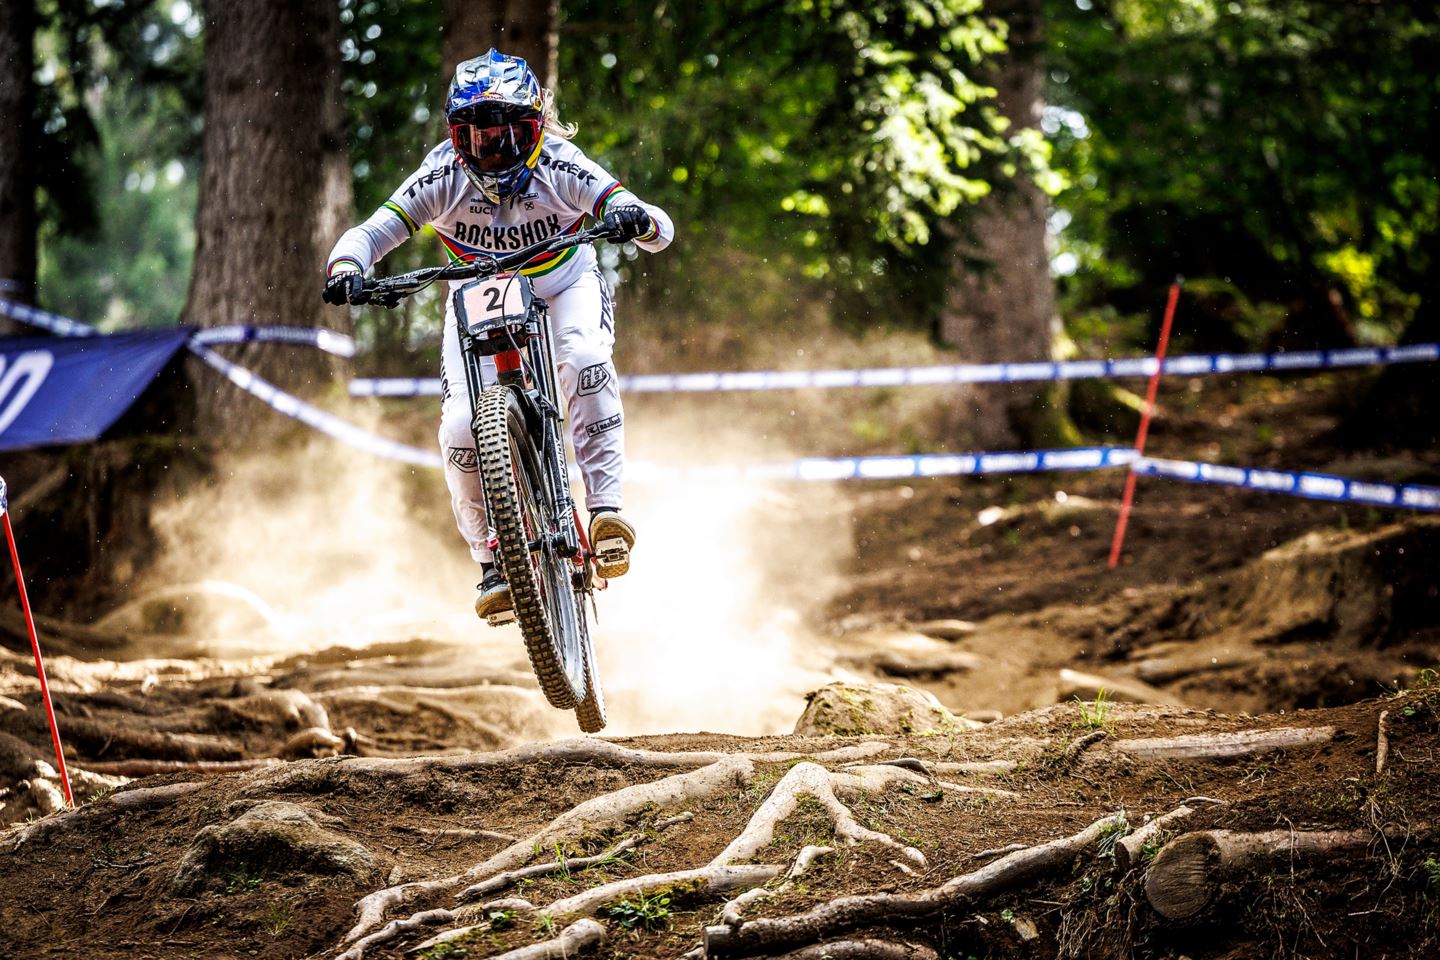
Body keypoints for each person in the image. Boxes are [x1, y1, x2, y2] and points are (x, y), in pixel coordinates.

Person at [322, 48, 672, 621]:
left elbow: (652, 223)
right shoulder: (441, 176)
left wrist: (639, 218)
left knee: (583, 358)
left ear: (538, 126)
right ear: (457, 138)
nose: (497, 149)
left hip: (563, 283)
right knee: (461, 426)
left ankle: (606, 511)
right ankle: (491, 559)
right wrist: (346, 268)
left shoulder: (562, 165)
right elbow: (370, 232)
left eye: (512, 133)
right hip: (479, 295)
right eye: (481, 137)